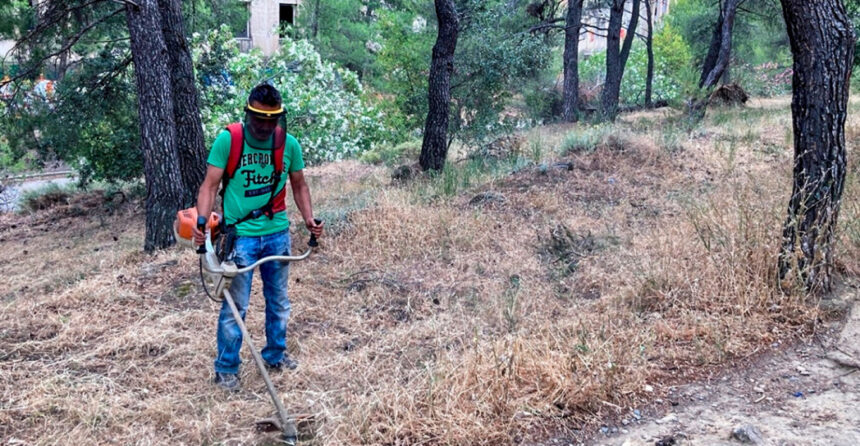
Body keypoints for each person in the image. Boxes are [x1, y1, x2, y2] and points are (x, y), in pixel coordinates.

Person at [193, 83, 324, 391]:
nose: (265, 126)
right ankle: (226, 368)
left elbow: (300, 185)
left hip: (277, 234)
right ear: (248, 113)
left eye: (272, 120)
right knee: (235, 307)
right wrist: (202, 220)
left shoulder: (288, 144)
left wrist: (308, 218)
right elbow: (209, 186)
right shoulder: (229, 140)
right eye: (259, 119)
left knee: (278, 301)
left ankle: (275, 355)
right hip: (242, 238)